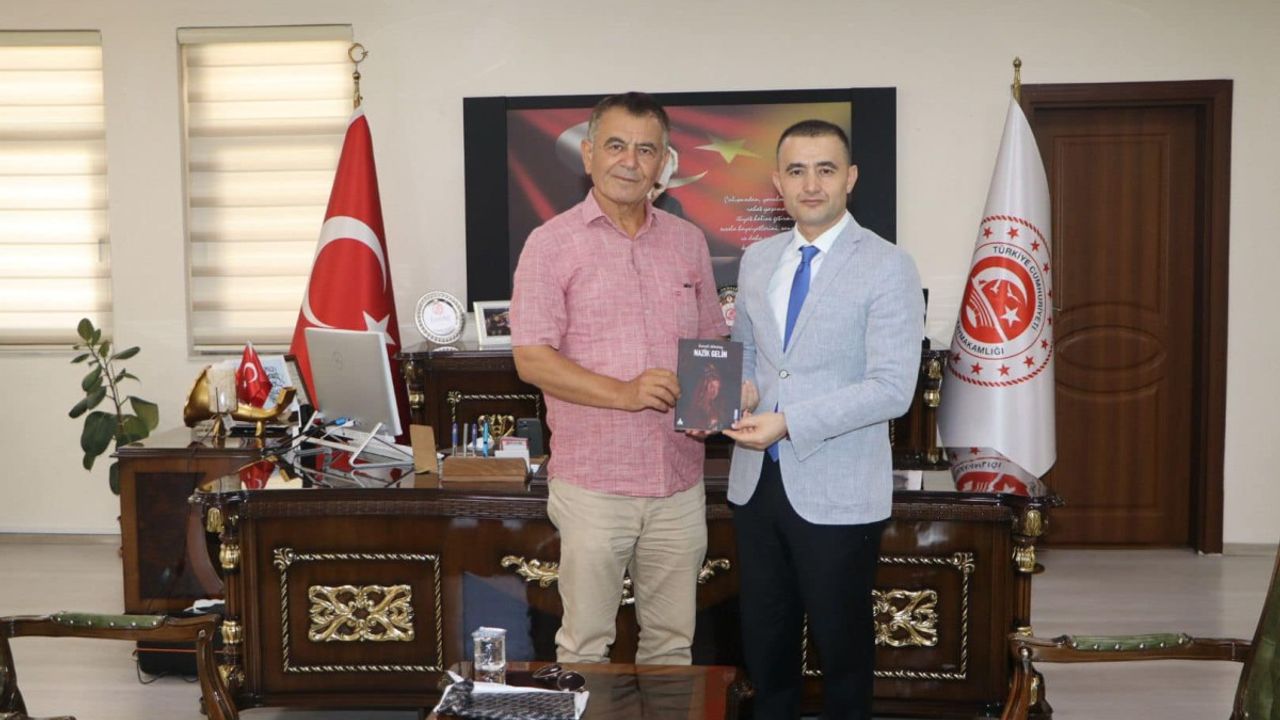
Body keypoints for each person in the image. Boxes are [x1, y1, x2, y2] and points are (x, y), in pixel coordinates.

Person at [509, 92, 729, 665]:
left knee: (672, 646)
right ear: (588, 155)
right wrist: (625, 395)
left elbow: (712, 342)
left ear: (663, 163)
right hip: (595, 487)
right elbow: (532, 358)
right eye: (615, 146)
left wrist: (710, 410)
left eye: (646, 149)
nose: (630, 161)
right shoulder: (549, 244)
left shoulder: (687, 242)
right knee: (585, 646)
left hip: (679, 485)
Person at [723, 119, 923, 719]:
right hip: (756, 485)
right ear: (777, 182)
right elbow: (748, 355)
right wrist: (738, 392)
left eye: (826, 169)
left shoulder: (888, 265)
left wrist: (789, 420)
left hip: (839, 489)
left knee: (843, 654)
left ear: (850, 178)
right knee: (766, 647)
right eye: (797, 170)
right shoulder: (757, 259)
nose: (811, 184)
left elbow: (892, 388)